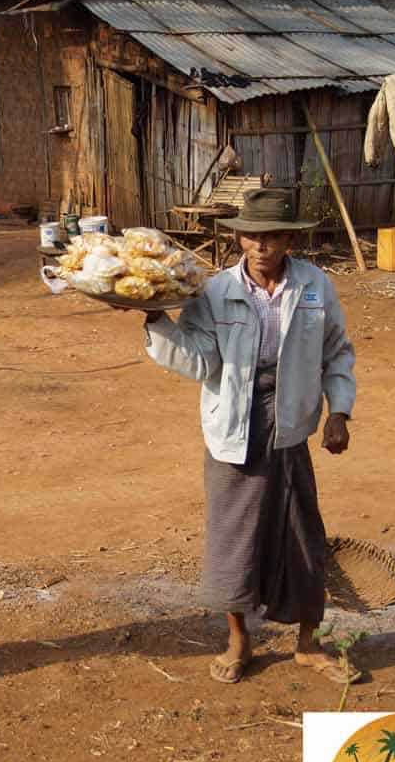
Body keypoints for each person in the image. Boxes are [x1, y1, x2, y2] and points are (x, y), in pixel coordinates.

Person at [140, 189, 359, 686]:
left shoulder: (314, 287)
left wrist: (338, 412)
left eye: (273, 236)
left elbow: (337, 352)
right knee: (233, 536)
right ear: (239, 236)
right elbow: (201, 360)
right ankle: (239, 639)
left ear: (289, 239)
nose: (261, 246)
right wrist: (156, 319)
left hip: (291, 421)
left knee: (302, 532)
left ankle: (309, 642)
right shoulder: (215, 292)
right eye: (253, 235)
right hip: (233, 425)